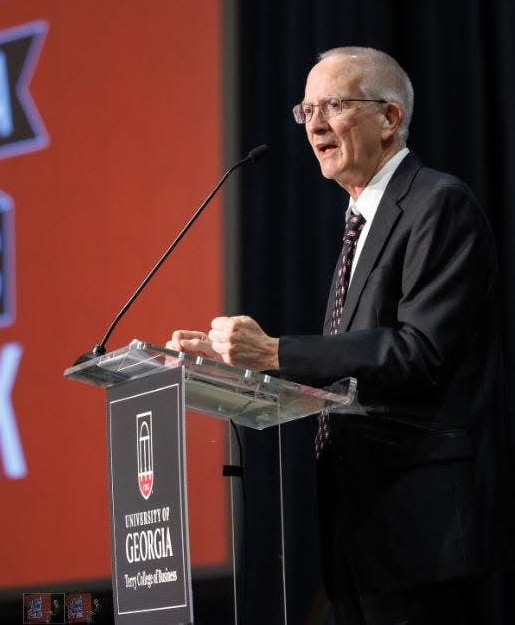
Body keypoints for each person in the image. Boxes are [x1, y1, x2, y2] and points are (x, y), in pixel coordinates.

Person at [168, 47, 510, 624]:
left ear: (389, 118)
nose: (316, 124)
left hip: (421, 531)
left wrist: (277, 352)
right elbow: (353, 366)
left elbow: (419, 352)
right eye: (306, 110)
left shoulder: (437, 204)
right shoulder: (362, 221)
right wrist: (232, 363)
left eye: (333, 105)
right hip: (358, 533)